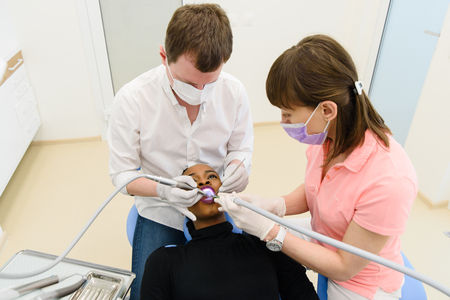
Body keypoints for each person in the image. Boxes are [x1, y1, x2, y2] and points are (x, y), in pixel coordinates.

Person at [217, 34, 418, 300]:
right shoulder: (328, 135)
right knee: (255, 240)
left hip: (359, 281)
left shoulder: (390, 180)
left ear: (327, 110)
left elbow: (344, 266)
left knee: (264, 236)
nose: (283, 121)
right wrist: (277, 206)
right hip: (325, 234)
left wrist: (271, 230)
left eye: (288, 113)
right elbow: (321, 188)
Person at [107, 4, 253, 300]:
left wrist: (239, 167)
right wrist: (163, 191)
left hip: (218, 204)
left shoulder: (233, 92)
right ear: (164, 56)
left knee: (244, 282)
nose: (200, 92)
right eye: (189, 83)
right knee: (147, 292)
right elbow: (121, 175)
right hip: (161, 210)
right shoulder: (132, 100)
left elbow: (240, 148)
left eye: (209, 83)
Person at [140, 164, 319, 300]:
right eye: (191, 182)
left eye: (211, 176)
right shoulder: (164, 261)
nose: (203, 182)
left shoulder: (265, 243)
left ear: (225, 191)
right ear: (180, 204)